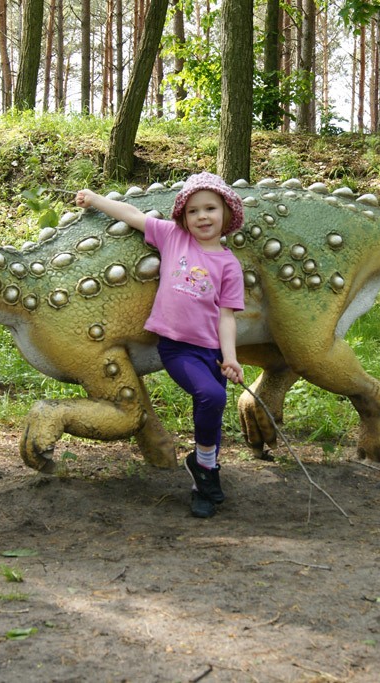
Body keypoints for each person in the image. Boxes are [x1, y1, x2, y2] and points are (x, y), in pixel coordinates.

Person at [75, 172, 246, 519]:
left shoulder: (229, 265)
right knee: (212, 397)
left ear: (226, 214)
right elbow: (132, 215)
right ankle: (205, 468)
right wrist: (95, 199)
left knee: (210, 413)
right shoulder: (173, 238)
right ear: (183, 216)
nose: (202, 217)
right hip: (178, 349)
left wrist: (230, 358)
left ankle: (204, 479)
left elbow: (227, 317)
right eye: (194, 210)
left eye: (210, 209)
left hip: (211, 351)